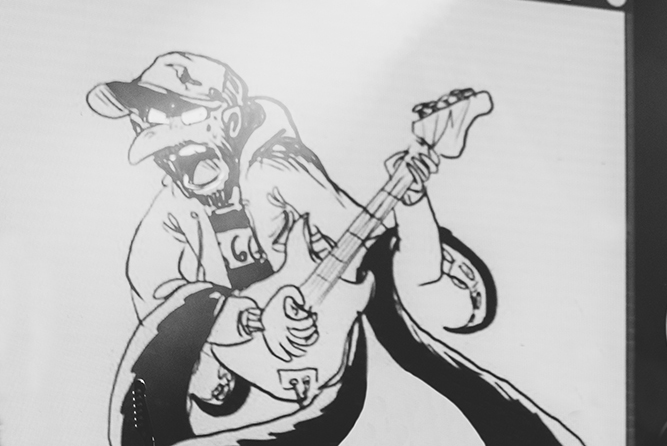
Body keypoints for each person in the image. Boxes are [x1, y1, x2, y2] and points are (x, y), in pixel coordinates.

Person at [88, 52, 582, 446]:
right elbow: (156, 297)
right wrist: (236, 320)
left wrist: (411, 204)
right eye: (157, 137)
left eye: (184, 128)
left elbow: (381, 260)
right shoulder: (173, 209)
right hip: (258, 382)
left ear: (232, 120)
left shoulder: (276, 171)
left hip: (338, 379)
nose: (176, 156)